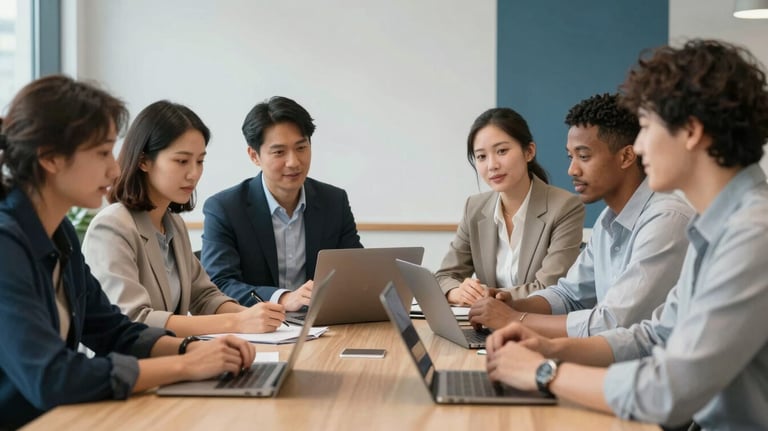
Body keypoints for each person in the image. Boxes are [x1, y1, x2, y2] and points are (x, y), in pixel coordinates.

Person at [485, 39, 768, 430]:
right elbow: (656, 336)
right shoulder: (719, 225)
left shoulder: (753, 235)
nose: (637, 145)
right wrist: (552, 347)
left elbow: (669, 392)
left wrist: (545, 372)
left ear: (691, 131)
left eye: (647, 128)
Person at [0, 76, 254, 429]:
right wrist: (184, 366)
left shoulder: (61, 235)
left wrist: (188, 349)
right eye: (103, 152)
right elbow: (51, 376)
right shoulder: (6, 244)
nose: (115, 168)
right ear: (50, 158)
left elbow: (114, 331)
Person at [468, 94, 694, 337]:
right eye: (570, 156)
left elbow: (613, 322)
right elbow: (569, 295)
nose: (572, 170)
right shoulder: (608, 220)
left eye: (584, 156)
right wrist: (512, 303)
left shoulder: (667, 220)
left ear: (626, 157)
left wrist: (515, 319)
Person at [82, 101, 286, 337]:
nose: (194, 173)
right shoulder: (112, 227)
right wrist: (236, 322)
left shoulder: (173, 224)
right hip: (130, 368)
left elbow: (204, 297)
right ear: (144, 161)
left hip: (171, 359)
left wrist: (254, 318)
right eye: (181, 161)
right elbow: (134, 320)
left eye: (200, 161)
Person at [201, 96, 362, 310]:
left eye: (301, 148)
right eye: (279, 152)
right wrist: (283, 298)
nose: (294, 162)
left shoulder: (334, 201)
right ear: (254, 156)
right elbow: (220, 285)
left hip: (320, 326)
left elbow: (355, 271)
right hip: (257, 330)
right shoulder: (225, 209)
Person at [435, 107, 585, 305]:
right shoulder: (475, 207)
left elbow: (550, 287)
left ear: (529, 151)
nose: (492, 165)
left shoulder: (565, 207)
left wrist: (488, 296)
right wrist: (458, 293)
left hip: (537, 327)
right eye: (481, 156)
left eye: (502, 151)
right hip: (485, 326)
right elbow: (444, 277)